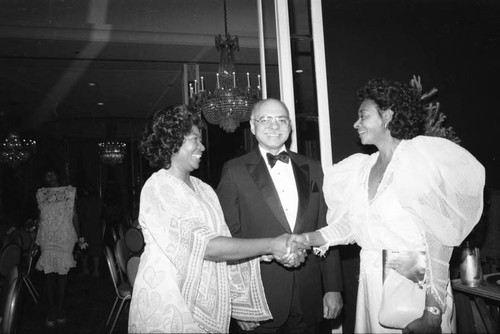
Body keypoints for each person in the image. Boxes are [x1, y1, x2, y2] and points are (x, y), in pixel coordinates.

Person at [290, 77, 485, 333]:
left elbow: (437, 242)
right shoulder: (362, 167)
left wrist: (432, 313)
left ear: (388, 115)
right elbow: (352, 225)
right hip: (372, 285)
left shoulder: (417, 161)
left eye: (363, 116)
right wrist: (307, 238)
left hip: (414, 289)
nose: (356, 124)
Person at [128, 104, 306, 334]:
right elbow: (207, 247)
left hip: (203, 303)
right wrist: (272, 243)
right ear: (171, 141)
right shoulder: (158, 186)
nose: (202, 146)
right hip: (169, 301)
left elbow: (224, 242)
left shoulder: (203, 189)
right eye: (195, 139)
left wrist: (268, 254)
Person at [216, 98, 344, 333]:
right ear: (253, 127)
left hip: (309, 293)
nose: (274, 126)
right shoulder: (233, 170)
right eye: (266, 120)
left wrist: (333, 287)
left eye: (281, 120)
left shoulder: (313, 167)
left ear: (290, 127)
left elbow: (326, 229)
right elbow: (227, 238)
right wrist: (239, 302)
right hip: (259, 297)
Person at [35, 169, 79, 327]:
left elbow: (74, 215)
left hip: (65, 237)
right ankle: (51, 309)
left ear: (58, 174)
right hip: (47, 238)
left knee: (62, 275)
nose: (50, 176)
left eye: (52, 173)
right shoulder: (41, 194)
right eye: (47, 174)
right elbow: (40, 217)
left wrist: (79, 237)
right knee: (48, 274)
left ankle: (59, 309)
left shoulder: (69, 192)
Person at [77, 185, 103, 277]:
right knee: (91, 248)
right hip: (94, 227)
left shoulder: (84, 201)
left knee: (85, 249)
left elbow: (80, 215)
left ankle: (87, 269)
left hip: (87, 227)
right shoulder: (97, 200)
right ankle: (94, 270)